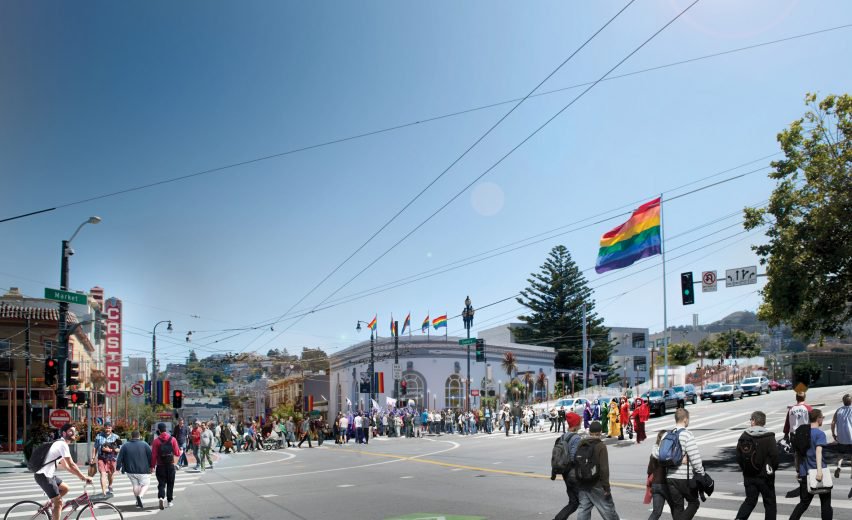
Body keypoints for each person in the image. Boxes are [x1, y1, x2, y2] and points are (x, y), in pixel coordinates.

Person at [33, 424, 93, 520]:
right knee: (59, 503)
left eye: (74, 431)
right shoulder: (62, 444)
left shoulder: (59, 444)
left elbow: (67, 467)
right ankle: (54, 506)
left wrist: (81, 477)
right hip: (44, 476)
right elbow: (72, 464)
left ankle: (48, 505)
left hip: (48, 475)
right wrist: (84, 477)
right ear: (64, 433)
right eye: (70, 431)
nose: (73, 433)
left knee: (65, 488)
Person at [734, 411, 779, 520]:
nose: (750, 421)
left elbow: (738, 456)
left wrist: (745, 468)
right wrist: (772, 469)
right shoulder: (769, 437)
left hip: (749, 476)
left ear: (754, 421)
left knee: (750, 501)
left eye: (751, 419)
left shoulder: (744, 436)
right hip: (765, 477)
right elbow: (775, 457)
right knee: (770, 503)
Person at [789, 409, 833, 520]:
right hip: (818, 472)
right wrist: (819, 471)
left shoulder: (801, 433)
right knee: (826, 504)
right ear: (818, 418)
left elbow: (797, 454)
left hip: (805, 472)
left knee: (803, 503)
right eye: (822, 417)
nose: (822, 419)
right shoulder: (820, 434)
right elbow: (818, 452)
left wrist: (798, 470)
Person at [665, 408, 705, 520]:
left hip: (670, 478)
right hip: (684, 478)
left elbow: (661, 457)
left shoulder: (667, 435)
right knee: (694, 503)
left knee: (678, 508)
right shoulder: (687, 435)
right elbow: (695, 458)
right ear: (685, 419)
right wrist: (701, 473)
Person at [576, 421, 620, 520]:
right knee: (608, 510)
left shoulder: (581, 443)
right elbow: (604, 469)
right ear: (600, 432)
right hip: (597, 484)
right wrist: (606, 488)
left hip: (583, 482)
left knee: (584, 509)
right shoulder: (601, 446)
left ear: (590, 431)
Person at [553, 412, 583, 520]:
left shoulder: (563, 436)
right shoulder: (576, 438)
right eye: (579, 421)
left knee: (573, 502)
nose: (581, 422)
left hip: (566, 474)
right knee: (586, 503)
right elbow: (573, 456)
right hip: (574, 475)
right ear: (576, 424)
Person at [784, 392, 813, 497]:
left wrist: (785, 434)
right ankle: (808, 475)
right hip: (806, 434)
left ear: (796, 398)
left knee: (797, 454)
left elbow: (787, 423)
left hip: (794, 435)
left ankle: (800, 473)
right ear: (804, 397)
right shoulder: (808, 408)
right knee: (807, 455)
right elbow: (813, 421)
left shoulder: (791, 409)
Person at [115, 430, 152, 509]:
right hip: (143, 469)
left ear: (131, 436)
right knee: (145, 484)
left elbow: (120, 457)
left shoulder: (125, 445)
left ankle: (137, 501)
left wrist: (118, 467)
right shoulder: (145, 444)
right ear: (139, 436)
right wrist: (152, 466)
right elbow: (150, 456)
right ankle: (140, 496)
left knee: (135, 485)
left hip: (130, 470)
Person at [150, 422, 181, 510]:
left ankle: (161, 497)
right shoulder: (173, 439)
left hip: (160, 466)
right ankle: (169, 501)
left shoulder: (156, 441)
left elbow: (154, 455)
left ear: (158, 430)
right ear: (165, 429)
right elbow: (177, 453)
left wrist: (152, 466)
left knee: (161, 483)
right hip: (170, 465)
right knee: (170, 483)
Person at [829, 393, 852, 498]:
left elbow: (833, 422)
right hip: (851, 438)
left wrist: (833, 434)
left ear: (843, 401)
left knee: (841, 454)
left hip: (842, 438)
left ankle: (838, 466)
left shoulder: (838, 410)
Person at [647, 430, 672, 520]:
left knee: (656, 512)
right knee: (676, 509)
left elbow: (649, 470)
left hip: (655, 485)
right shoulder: (668, 454)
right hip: (666, 485)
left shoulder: (653, 454)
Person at [92, 422, 120, 496]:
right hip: (101, 458)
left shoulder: (116, 437)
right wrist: (93, 457)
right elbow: (95, 447)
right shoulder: (99, 436)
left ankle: (110, 485)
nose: (107, 429)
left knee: (110, 474)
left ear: (111, 428)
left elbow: (119, 449)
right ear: (104, 428)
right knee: (103, 474)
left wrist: (110, 450)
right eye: (106, 428)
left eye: (109, 428)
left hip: (112, 459)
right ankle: (104, 491)